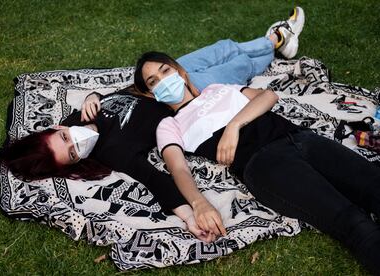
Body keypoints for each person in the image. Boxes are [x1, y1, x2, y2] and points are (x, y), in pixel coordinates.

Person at [0, 8, 305, 243]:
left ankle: (269, 40)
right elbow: (156, 180)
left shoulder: (75, 119)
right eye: (73, 152)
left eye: (64, 136)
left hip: (157, 80)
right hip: (180, 99)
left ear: (56, 128)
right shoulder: (113, 152)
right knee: (236, 67)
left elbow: (104, 100)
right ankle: (275, 41)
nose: (75, 138)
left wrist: (93, 94)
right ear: (76, 163)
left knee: (221, 47)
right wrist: (190, 215)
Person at [133, 33, 380, 276]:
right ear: (149, 93)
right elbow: (178, 169)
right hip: (264, 164)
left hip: (300, 137)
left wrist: (234, 126)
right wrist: (200, 204)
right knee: (351, 220)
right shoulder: (169, 125)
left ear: (180, 71)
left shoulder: (217, 89)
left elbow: (268, 96)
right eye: (153, 81)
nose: (163, 80)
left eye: (165, 71)